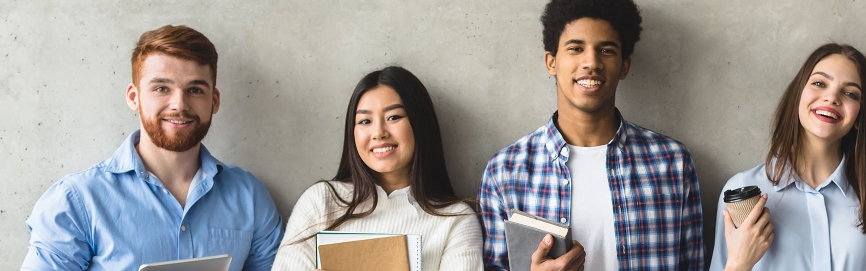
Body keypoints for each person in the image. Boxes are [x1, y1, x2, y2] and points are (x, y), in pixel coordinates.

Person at [22, 25, 283, 271]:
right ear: (134, 97)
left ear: (214, 101)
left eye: (194, 89)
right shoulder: (76, 201)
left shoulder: (250, 197)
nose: (179, 104)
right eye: (161, 88)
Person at [476, 0, 704, 270]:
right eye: (576, 48)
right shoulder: (505, 171)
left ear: (624, 66)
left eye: (606, 50)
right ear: (551, 62)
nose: (591, 62)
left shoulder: (672, 163)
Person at [709, 43, 866, 271]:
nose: (831, 98)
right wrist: (739, 263)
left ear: (860, 116)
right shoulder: (743, 188)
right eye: (819, 83)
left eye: (850, 93)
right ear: (797, 95)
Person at [272, 66, 482, 270]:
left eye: (393, 117)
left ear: (420, 123)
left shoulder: (456, 220)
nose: (378, 132)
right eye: (365, 121)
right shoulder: (321, 202)